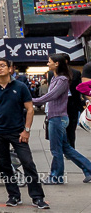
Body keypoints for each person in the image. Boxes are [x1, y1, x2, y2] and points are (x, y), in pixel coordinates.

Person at [0, 57, 48, 209]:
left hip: (18, 132)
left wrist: (26, 130)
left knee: (28, 163)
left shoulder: (20, 87)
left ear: (9, 68)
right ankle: (13, 196)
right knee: (5, 165)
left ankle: (37, 197)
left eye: (2, 66)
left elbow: (30, 109)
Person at [33, 54, 91, 184]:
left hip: (58, 118)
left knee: (56, 149)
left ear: (57, 64)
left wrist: (31, 100)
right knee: (66, 148)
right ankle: (89, 169)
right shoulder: (55, 78)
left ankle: (56, 177)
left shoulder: (62, 80)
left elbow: (50, 96)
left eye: (49, 62)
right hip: (55, 117)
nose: (48, 64)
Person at [63, 54, 83, 149]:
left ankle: (71, 148)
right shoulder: (53, 73)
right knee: (62, 129)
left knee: (71, 128)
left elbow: (79, 89)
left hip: (73, 104)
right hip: (59, 106)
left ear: (66, 61)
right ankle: (66, 147)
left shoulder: (76, 73)